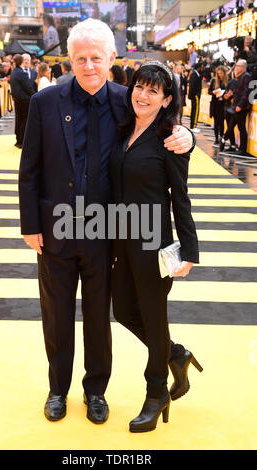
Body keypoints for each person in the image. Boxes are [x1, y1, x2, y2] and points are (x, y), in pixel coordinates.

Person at [18, 18, 195, 426]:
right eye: (80, 58)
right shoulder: (47, 102)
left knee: (100, 315)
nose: (88, 65)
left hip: (107, 230)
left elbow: (163, 125)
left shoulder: (125, 100)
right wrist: (31, 224)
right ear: (69, 60)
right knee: (56, 314)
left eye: (96, 57)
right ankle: (57, 389)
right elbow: (29, 168)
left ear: (112, 59)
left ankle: (95, 390)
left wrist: (183, 132)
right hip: (56, 226)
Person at [110, 61, 201, 433]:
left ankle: (156, 392)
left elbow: (180, 197)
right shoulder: (122, 127)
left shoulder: (170, 139)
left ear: (166, 100)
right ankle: (176, 354)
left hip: (152, 242)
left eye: (153, 91)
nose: (142, 95)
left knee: (152, 315)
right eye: (139, 87)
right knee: (123, 310)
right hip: (118, 238)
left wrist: (189, 250)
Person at [10, 54, 35, 149]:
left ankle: (19, 140)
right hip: (25, 101)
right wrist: (36, 96)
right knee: (24, 121)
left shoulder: (14, 72)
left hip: (17, 100)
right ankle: (22, 141)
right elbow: (28, 88)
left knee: (19, 120)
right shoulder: (22, 73)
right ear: (21, 62)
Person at [231, 59, 252, 156]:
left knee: (242, 128)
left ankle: (243, 149)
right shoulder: (240, 77)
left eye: (238, 66)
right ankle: (240, 147)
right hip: (237, 105)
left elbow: (246, 92)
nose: (236, 68)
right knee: (239, 127)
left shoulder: (246, 76)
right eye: (236, 66)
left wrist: (240, 105)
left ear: (244, 67)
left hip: (242, 107)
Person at [208, 65, 228, 146]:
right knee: (216, 122)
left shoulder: (227, 81)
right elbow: (209, 91)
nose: (220, 75)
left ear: (224, 73)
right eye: (218, 73)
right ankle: (216, 138)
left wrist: (224, 94)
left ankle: (221, 137)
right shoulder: (214, 80)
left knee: (222, 122)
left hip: (223, 104)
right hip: (215, 104)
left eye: (221, 73)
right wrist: (213, 92)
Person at [188, 62, 203, 133]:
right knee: (196, 111)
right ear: (198, 67)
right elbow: (193, 86)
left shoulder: (196, 74)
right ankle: (193, 126)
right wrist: (196, 94)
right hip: (195, 96)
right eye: (201, 67)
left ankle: (193, 126)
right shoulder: (194, 74)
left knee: (194, 110)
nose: (202, 68)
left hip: (194, 95)